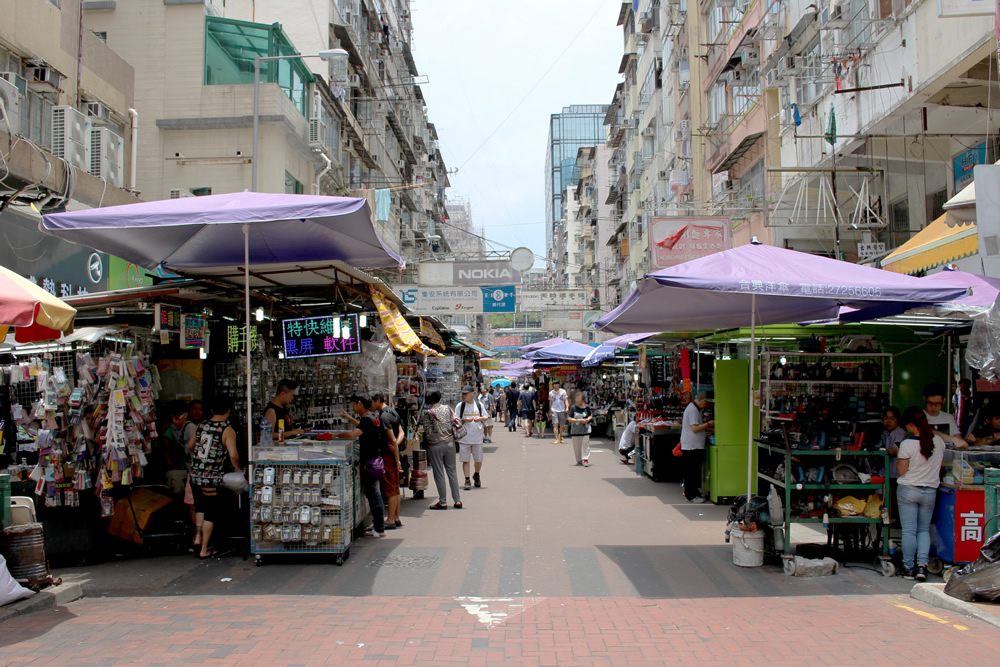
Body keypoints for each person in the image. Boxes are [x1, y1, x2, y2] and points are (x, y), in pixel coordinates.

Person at [186, 397, 240, 559]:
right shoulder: (226, 429)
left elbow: (190, 445)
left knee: (200, 508)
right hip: (211, 478)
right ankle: (204, 549)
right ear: (228, 411)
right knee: (210, 512)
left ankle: (197, 537)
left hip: (195, 475)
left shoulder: (202, 425)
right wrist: (237, 469)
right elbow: (233, 454)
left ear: (211, 410)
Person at [897, 407, 945, 581]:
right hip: (930, 491)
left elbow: (902, 471)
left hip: (908, 489)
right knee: (923, 529)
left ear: (910, 425)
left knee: (909, 531)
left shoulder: (907, 444)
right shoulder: (938, 442)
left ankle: (908, 568)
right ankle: (922, 567)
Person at [335, 393, 388, 537]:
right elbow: (362, 427)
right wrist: (349, 418)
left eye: (353, 404)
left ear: (359, 403)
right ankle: (378, 526)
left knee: (374, 494)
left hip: (369, 462)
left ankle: (379, 528)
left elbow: (353, 435)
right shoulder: (371, 418)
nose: (353, 407)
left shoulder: (367, 419)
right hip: (374, 460)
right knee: (374, 493)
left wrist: (336, 435)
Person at [420, 390, 462, 509]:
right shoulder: (447, 408)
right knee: (452, 472)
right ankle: (457, 500)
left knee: (439, 474)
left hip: (436, 445)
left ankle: (443, 501)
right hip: (450, 444)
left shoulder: (428, 413)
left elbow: (427, 431)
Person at [373, 392, 404, 530]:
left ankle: (391, 519)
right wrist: (396, 445)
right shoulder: (393, 412)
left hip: (388, 456)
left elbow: (392, 439)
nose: (371, 405)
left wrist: (396, 457)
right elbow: (401, 432)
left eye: (372, 402)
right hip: (392, 455)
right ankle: (396, 517)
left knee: (390, 488)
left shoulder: (384, 416)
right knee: (395, 487)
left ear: (378, 400)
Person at [680, 392, 714, 503]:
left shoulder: (696, 409)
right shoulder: (693, 410)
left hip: (694, 445)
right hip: (691, 446)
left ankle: (694, 492)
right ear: (699, 399)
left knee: (694, 471)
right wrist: (709, 424)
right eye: (706, 401)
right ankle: (691, 495)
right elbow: (695, 428)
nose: (707, 404)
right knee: (691, 472)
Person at [456, 387, 488, 490]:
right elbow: (456, 420)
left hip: (477, 437)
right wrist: (464, 419)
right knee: (465, 460)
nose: (464, 395)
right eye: (463, 394)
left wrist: (480, 418)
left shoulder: (479, 405)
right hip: (464, 437)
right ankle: (467, 480)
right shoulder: (460, 406)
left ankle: (477, 474)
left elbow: (486, 416)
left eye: (466, 393)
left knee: (478, 460)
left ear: (472, 394)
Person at [923, 382, 967, 449]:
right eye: (930, 403)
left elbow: (958, 437)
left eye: (937, 404)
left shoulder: (948, 418)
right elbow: (929, 432)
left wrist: (963, 441)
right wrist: (952, 439)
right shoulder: (919, 415)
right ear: (925, 399)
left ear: (944, 401)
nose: (933, 407)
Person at [567, 391, 594, 466]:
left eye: (579, 398)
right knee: (577, 446)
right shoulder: (573, 408)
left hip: (586, 429)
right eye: (576, 398)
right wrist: (578, 420)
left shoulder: (587, 407)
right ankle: (578, 460)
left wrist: (587, 420)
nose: (577, 400)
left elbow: (590, 415)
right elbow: (569, 418)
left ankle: (585, 459)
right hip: (576, 430)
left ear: (582, 399)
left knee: (586, 444)